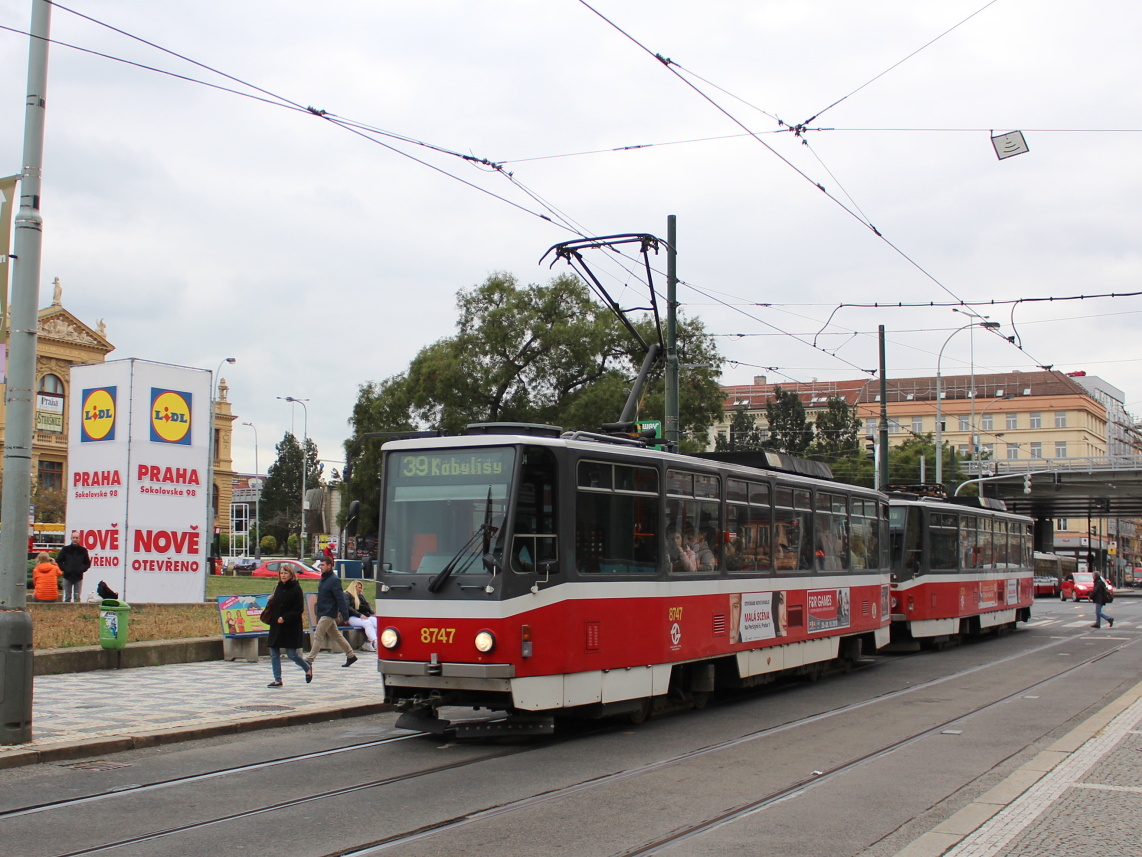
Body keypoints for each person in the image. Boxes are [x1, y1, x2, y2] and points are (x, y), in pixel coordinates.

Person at [305, 557, 358, 668]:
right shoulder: (323, 578)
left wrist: (345, 615)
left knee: (318, 635)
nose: (321, 567)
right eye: (320, 565)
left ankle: (309, 659)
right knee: (337, 635)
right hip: (323, 610)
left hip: (329, 612)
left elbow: (340, 598)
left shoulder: (334, 580)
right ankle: (351, 655)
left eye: (323, 565)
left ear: (330, 566)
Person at [266, 565, 312, 687]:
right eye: (281, 573)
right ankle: (277, 679)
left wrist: (285, 618)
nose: (283, 575)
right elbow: (275, 604)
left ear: (291, 574)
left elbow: (298, 609)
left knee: (291, 654)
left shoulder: (296, 588)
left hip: (290, 626)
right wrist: (270, 600)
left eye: (286, 573)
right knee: (274, 651)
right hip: (276, 624)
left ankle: (307, 667)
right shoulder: (278, 587)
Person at [57, 533, 92, 603]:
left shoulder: (83, 550)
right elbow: (59, 561)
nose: (75, 539)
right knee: (67, 597)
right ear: (71, 538)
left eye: (76, 538)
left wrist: (81, 570)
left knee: (77, 598)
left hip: (78, 578)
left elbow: (87, 563)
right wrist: (65, 569)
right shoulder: (65, 549)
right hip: (67, 577)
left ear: (79, 539)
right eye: (73, 538)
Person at [345, 579, 378, 652]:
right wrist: (359, 615)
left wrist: (372, 612)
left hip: (363, 616)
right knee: (367, 623)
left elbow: (366, 606)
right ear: (354, 587)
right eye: (359, 587)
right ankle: (375, 642)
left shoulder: (360, 596)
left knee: (377, 622)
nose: (360, 589)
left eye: (361, 588)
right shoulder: (347, 595)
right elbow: (348, 608)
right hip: (352, 617)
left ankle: (368, 643)